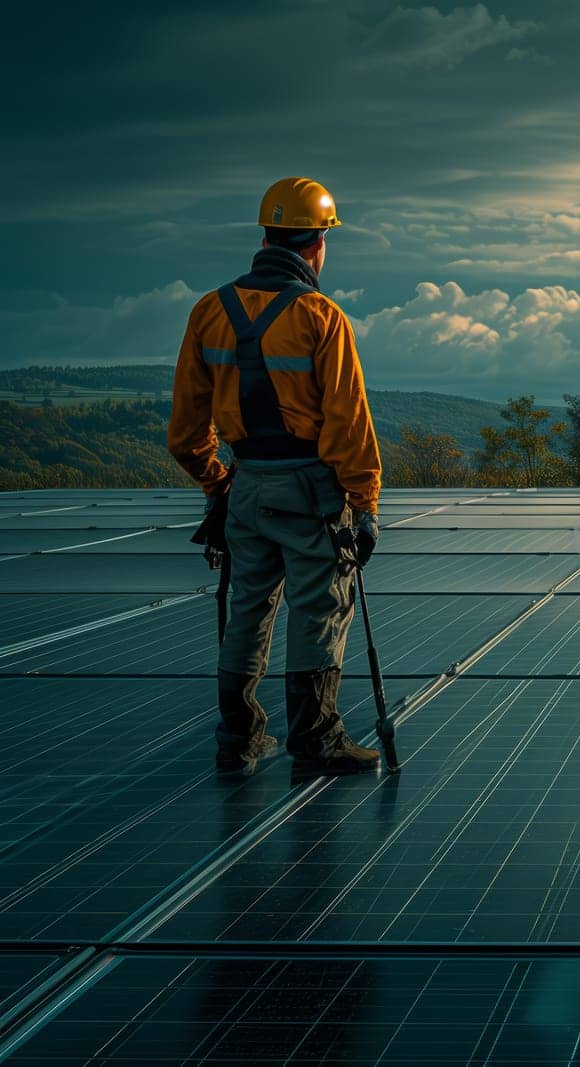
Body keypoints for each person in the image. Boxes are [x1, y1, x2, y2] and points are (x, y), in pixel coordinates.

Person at [168, 177, 383, 778]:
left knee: (248, 608)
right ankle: (316, 741)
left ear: (266, 237)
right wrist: (364, 505)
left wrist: (219, 483)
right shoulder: (321, 316)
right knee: (318, 608)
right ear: (317, 243)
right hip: (310, 490)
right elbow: (348, 425)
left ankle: (237, 740)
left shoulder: (209, 311)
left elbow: (185, 431)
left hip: (245, 486)